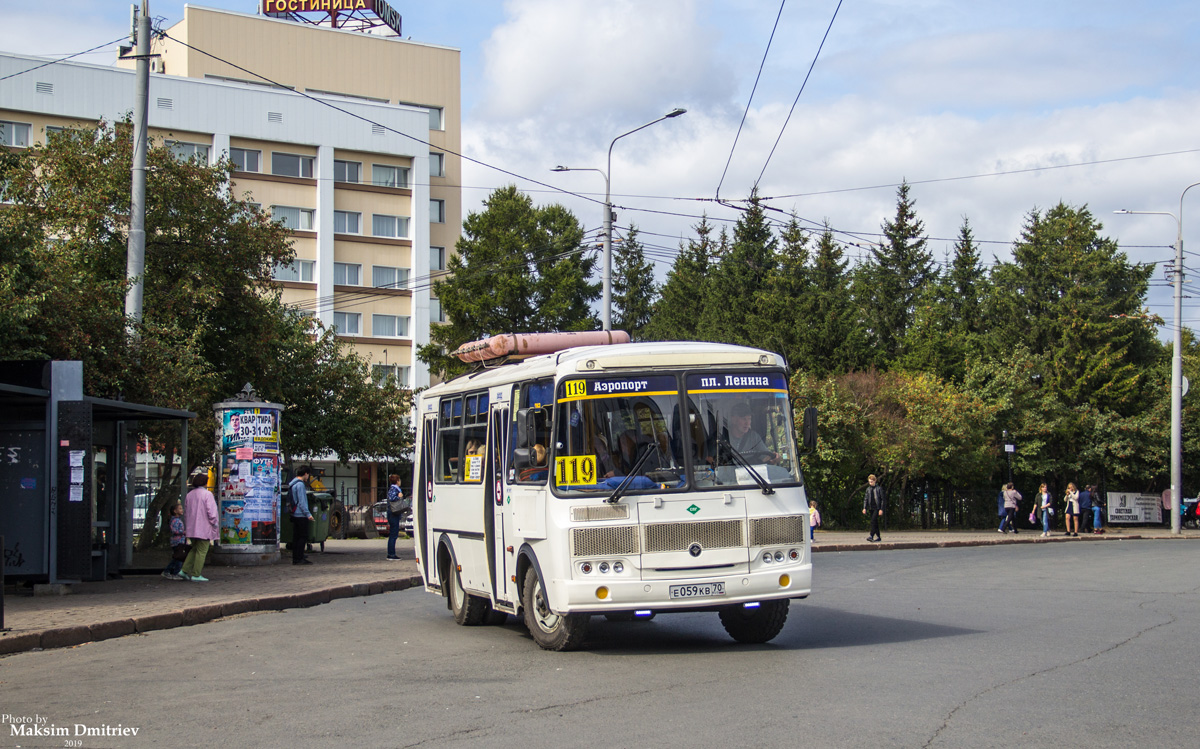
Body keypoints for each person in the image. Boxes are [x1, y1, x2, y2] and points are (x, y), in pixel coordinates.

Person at [180, 473, 218, 582]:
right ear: (205, 482)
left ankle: (184, 570)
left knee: (194, 549)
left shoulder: (190, 494)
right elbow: (212, 512)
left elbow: (186, 512)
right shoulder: (207, 494)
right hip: (204, 527)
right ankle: (196, 574)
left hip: (192, 527)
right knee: (202, 550)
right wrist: (214, 523)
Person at [288, 465, 315, 565]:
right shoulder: (300, 485)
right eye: (308, 474)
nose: (308, 477)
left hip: (294, 513)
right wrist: (308, 514)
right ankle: (299, 558)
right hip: (301, 514)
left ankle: (296, 557)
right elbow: (302, 502)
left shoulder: (292, 484)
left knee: (296, 537)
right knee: (302, 537)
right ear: (306, 474)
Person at [161, 502, 188, 580]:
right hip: (177, 542)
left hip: (179, 542)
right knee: (178, 558)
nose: (182, 510)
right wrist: (183, 532)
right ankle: (175, 572)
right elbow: (174, 531)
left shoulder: (176, 520)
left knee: (177, 558)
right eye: (180, 508)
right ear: (175, 511)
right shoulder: (175, 520)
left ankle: (169, 571)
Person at [385, 473, 409, 561]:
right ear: (397, 481)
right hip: (393, 513)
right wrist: (399, 497)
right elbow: (392, 498)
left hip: (394, 514)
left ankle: (391, 553)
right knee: (393, 534)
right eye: (399, 480)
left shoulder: (394, 488)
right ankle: (391, 554)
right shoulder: (393, 489)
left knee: (394, 534)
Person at [863, 474, 885, 542]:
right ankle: (878, 537)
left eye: (872, 481)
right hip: (871, 508)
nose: (870, 483)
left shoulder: (878, 488)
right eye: (869, 482)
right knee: (875, 523)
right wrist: (864, 508)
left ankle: (871, 535)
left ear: (875, 481)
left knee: (873, 521)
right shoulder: (868, 489)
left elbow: (882, 499)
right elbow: (866, 499)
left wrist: (881, 509)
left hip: (877, 508)